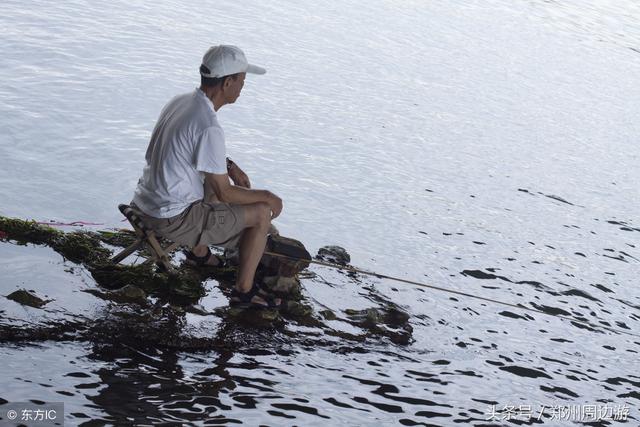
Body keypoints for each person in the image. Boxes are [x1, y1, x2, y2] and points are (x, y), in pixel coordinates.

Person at [130, 45, 283, 309]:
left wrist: (229, 165)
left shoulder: (182, 102)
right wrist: (269, 198)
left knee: (211, 185)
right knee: (260, 214)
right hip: (170, 218)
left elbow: (187, 149)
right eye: (242, 81)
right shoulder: (209, 126)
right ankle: (243, 292)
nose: (243, 88)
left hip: (145, 202)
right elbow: (225, 192)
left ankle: (199, 255)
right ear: (228, 82)